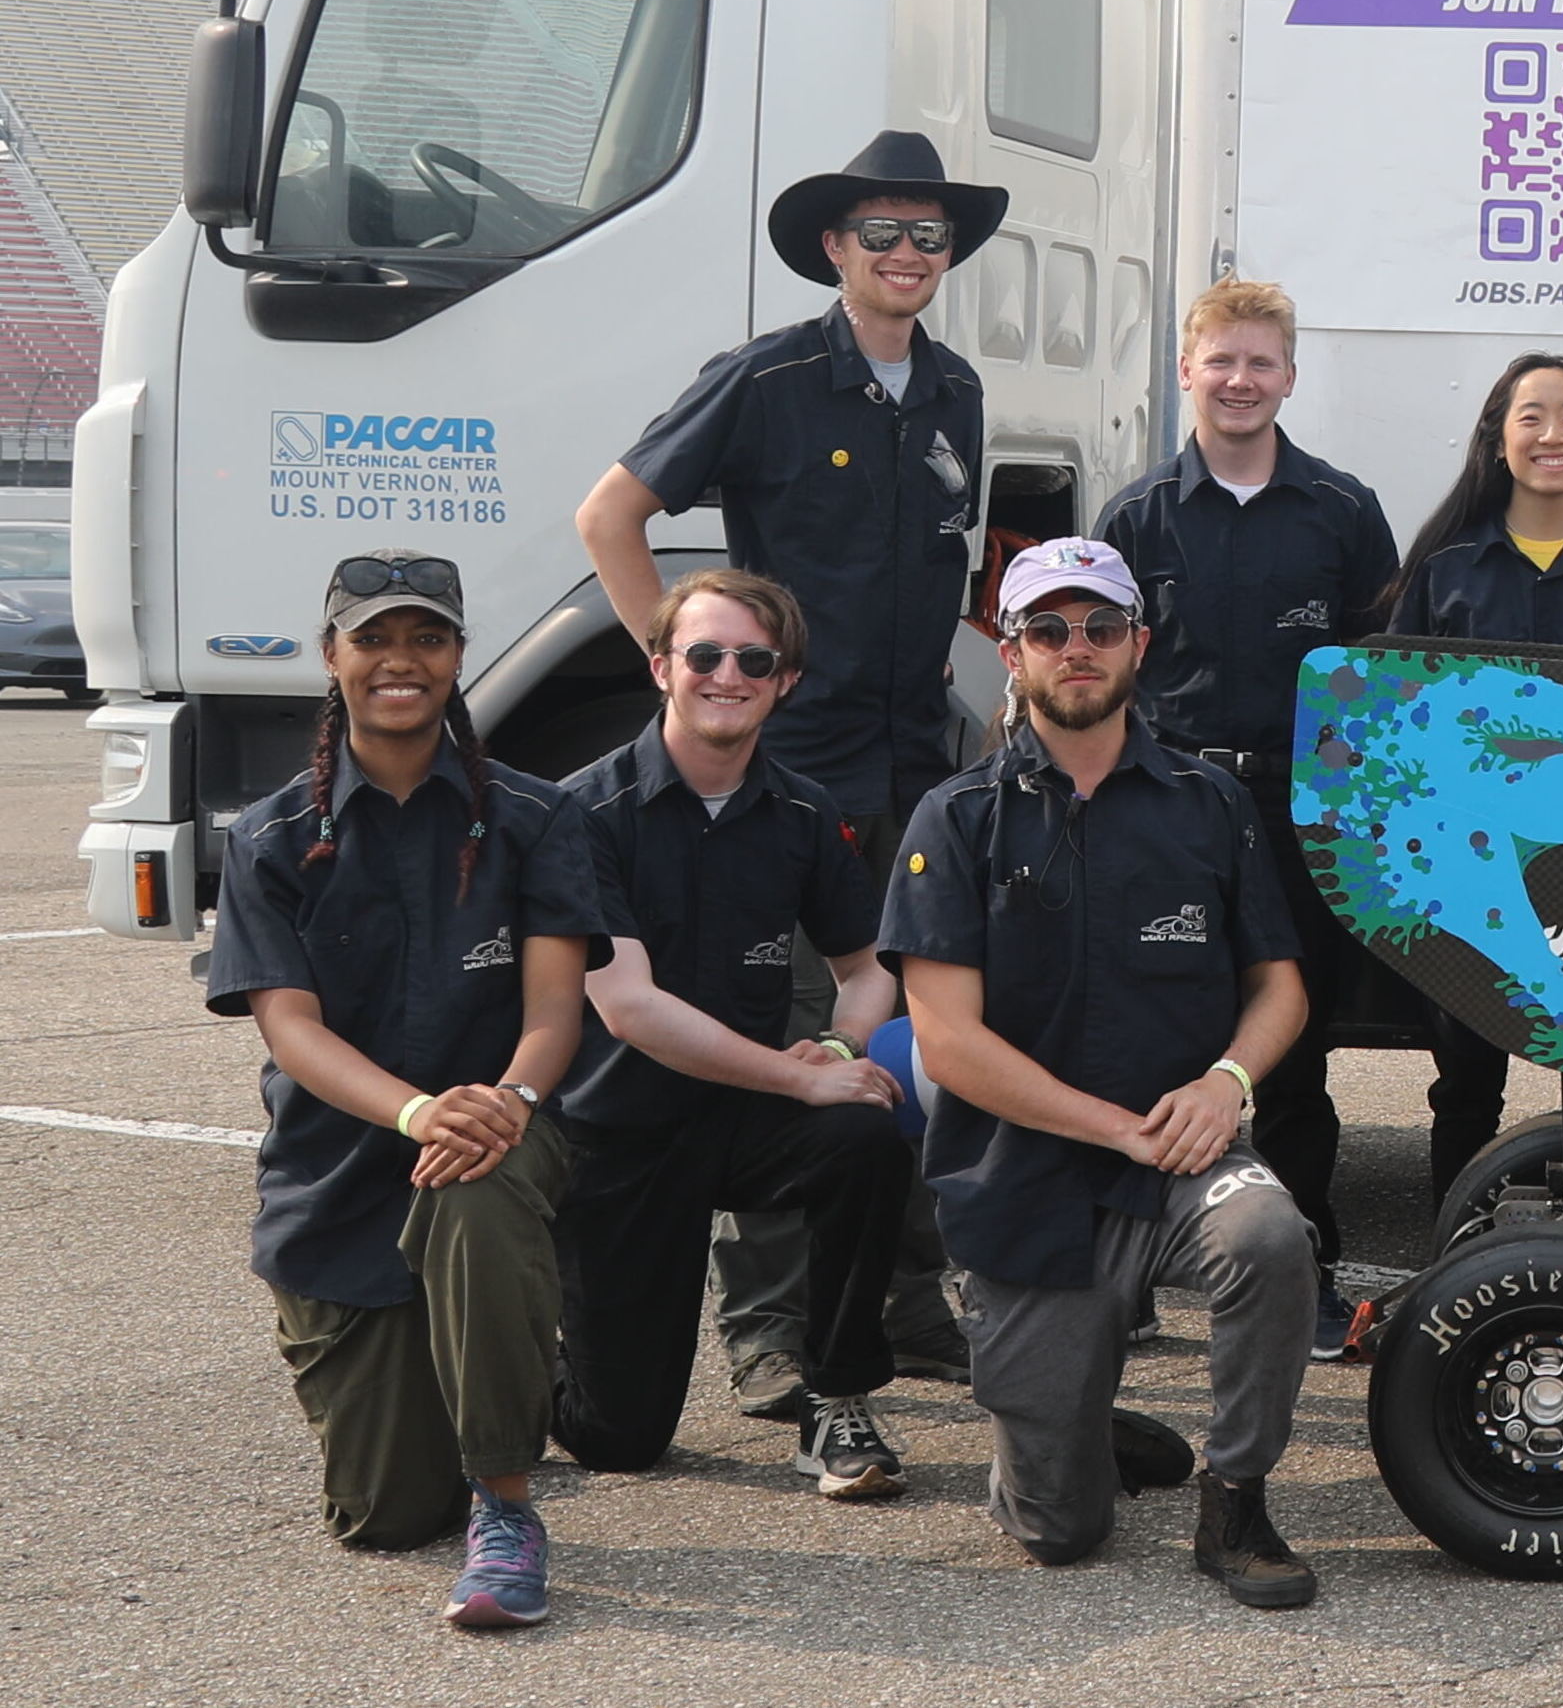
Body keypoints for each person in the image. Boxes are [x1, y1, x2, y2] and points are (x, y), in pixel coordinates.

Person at [578, 131, 999, 1412]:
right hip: (788, 771)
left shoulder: (957, 393)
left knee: (920, 1037)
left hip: (912, 767)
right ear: (834, 248)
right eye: (882, 234)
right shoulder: (764, 379)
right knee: (783, 1037)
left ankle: (907, 1299)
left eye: (930, 237)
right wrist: (689, 663)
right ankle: (769, 1330)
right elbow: (610, 514)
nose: (907, 256)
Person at [882, 538, 1322, 1607]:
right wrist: (1113, 1127)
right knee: (1059, 1533)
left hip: (1183, 1162)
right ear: (1012, 654)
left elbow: (1282, 991)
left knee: (1272, 1237)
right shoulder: (957, 818)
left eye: (1100, 627)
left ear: (1140, 644)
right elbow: (946, 1042)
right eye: (1047, 629)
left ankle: (1237, 1500)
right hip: (1025, 1178)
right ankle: (1071, 1424)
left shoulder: (1208, 805)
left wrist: (1228, 1083)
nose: (1075, 648)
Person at [207, 552, 605, 1628]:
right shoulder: (271, 838)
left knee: (475, 1187)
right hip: (339, 1177)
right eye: (374, 638)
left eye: (427, 639)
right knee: (387, 1513)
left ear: (459, 657)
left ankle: (509, 1505)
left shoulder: (532, 816)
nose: (401, 661)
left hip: (501, 1132)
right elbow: (289, 1027)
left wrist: (507, 1104)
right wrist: (419, 1109)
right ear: (330, 655)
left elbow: (553, 1013)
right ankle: (490, 1382)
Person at [545, 569, 916, 1502]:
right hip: (620, 1132)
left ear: (784, 681)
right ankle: (505, 1341)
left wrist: (837, 1048)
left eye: (755, 659)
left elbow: (870, 964)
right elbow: (628, 1007)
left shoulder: (800, 811)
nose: (727, 674)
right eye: (704, 654)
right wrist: (798, 1080)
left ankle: (837, 1395)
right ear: (661, 665)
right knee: (617, 1439)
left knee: (864, 1132)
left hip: (743, 1117)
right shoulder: (579, 813)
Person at [1093, 277, 1403, 1360]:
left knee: (1298, 1051)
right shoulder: (1134, 518)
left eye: (1260, 362)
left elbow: (1378, 679)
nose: (1239, 380)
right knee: (1143, 1036)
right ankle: (1121, 1273)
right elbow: (1098, 679)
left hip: (1295, 811)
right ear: (1187, 370)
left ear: (1290, 377)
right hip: (1165, 806)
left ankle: (1304, 1266)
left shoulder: (1343, 512)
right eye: (1220, 360)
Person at [1385, 350, 1563, 1186]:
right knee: (1465, 1078)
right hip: (1472, 868)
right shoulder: (1445, 572)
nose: (1554, 433)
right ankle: (1456, 1244)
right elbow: (1397, 725)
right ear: (1496, 438)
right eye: (1532, 415)